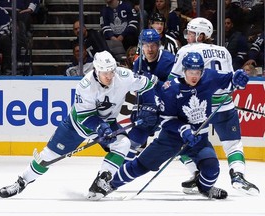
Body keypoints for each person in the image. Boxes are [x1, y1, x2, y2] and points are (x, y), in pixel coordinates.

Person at [0, 50, 158, 201]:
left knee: (123, 143)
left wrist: (149, 105)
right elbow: (85, 117)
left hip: (107, 123)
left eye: (111, 71)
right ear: (96, 70)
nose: (109, 76)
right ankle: (21, 182)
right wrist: (100, 127)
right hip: (76, 126)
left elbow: (148, 85)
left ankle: (100, 183)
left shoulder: (124, 76)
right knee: (48, 156)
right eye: (105, 73)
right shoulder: (85, 86)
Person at [90, 52, 251, 200]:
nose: (194, 76)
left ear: (202, 70)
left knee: (212, 168)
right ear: (184, 70)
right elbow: (166, 120)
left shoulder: (209, 77)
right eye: (191, 72)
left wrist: (239, 78)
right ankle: (109, 185)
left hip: (198, 138)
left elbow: (231, 80)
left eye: (197, 72)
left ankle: (204, 188)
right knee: (141, 165)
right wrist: (183, 129)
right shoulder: (171, 89)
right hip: (171, 138)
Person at [169, 17, 259, 195]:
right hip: (224, 104)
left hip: (196, 107)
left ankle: (196, 173)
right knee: (233, 144)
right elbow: (232, 80)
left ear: (202, 35)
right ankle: (238, 176)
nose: (188, 36)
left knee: (178, 140)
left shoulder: (187, 51)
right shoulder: (223, 50)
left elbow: (173, 81)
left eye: (191, 33)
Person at [124, 28, 175, 162]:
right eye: (146, 45)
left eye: (153, 45)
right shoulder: (137, 63)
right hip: (149, 106)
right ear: (141, 46)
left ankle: (195, 169)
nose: (150, 49)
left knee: (175, 140)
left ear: (158, 45)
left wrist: (155, 81)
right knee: (135, 136)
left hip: (169, 107)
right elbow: (138, 90)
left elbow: (174, 89)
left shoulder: (169, 61)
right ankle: (122, 167)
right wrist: (138, 108)